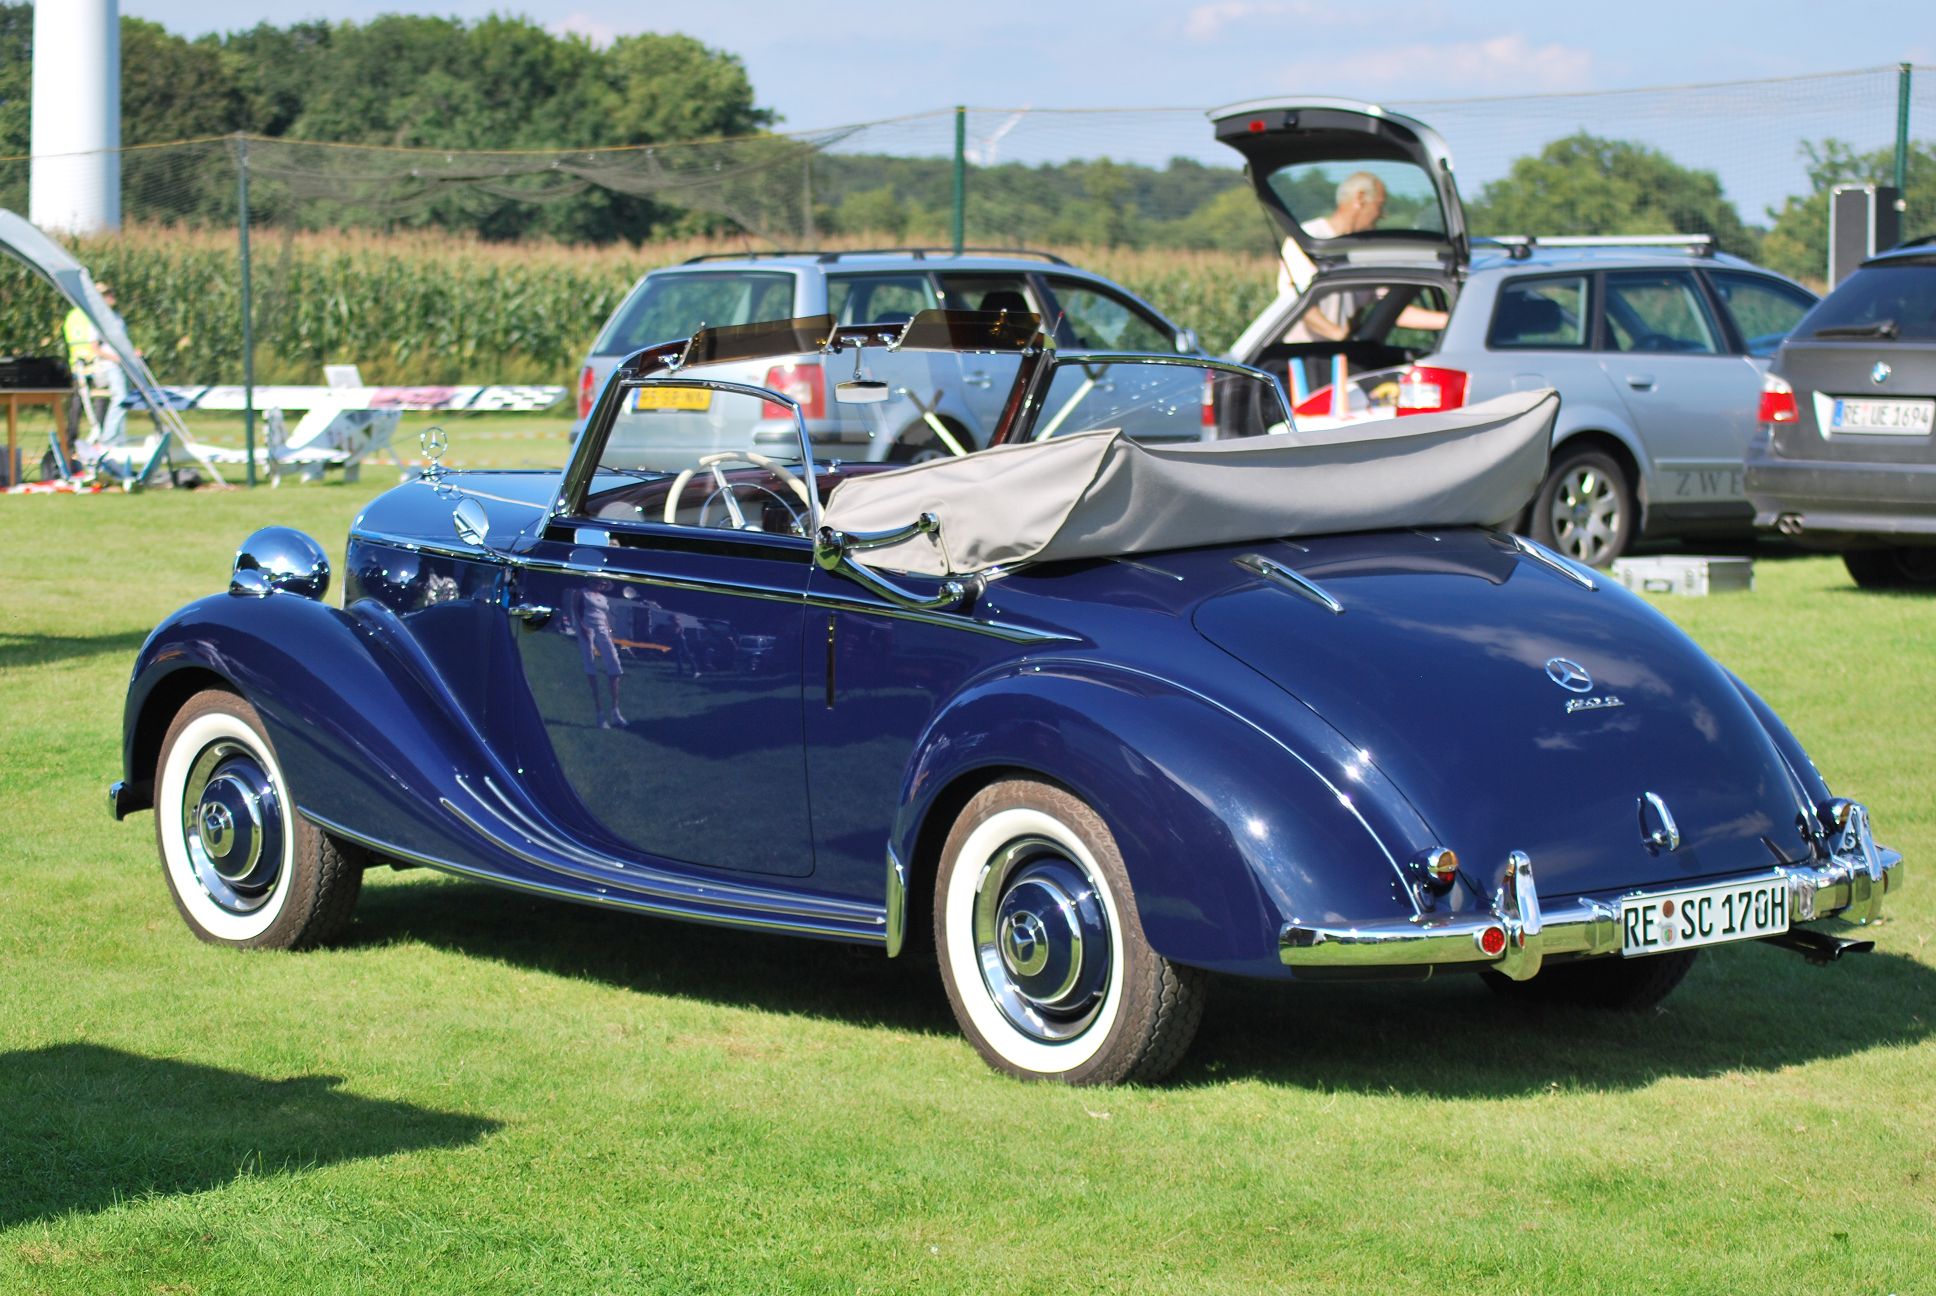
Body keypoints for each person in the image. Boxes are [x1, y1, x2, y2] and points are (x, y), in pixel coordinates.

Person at [1277, 172, 1450, 343]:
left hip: (1341, 352)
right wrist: (1339, 336)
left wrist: (1448, 320)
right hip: (1302, 353)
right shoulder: (1309, 240)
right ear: (1360, 199)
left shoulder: (1362, 251)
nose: (1383, 215)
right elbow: (1300, 304)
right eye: (1380, 205)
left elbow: (1392, 309)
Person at [63, 281, 129, 444]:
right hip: (92, 364)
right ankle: (101, 436)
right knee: (100, 400)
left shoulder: (73, 315)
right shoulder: (88, 315)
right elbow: (91, 343)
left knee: (80, 402)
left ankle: (72, 439)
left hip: (83, 364)